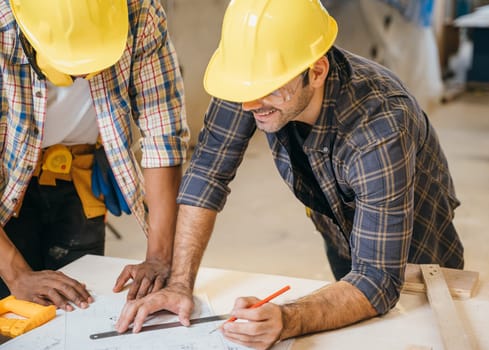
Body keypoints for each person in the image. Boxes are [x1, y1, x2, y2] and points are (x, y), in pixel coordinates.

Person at [116, 0, 464, 349]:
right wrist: (179, 284)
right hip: (340, 233)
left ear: (316, 71)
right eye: (245, 90)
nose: (249, 105)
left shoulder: (380, 126)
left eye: (267, 90)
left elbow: (378, 280)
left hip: (417, 255)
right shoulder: (254, 82)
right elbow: (207, 173)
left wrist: (287, 319)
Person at [0, 0, 189, 311]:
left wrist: (159, 257)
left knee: (80, 311)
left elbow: (163, 133)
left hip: (78, 177)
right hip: (6, 184)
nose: (87, 75)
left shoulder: (138, 10)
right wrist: (17, 274)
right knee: (12, 315)